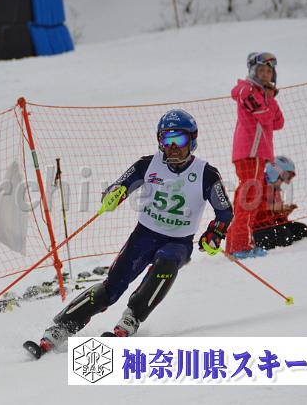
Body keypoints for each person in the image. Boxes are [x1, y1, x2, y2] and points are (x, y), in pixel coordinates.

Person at [35, 109, 234, 353]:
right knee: (111, 288)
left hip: (178, 242)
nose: (172, 147)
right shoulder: (146, 164)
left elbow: (225, 212)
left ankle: (132, 317)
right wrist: (114, 195)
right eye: (166, 139)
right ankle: (62, 327)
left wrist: (214, 234)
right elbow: (120, 185)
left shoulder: (206, 174)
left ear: (192, 140)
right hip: (144, 237)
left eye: (179, 139)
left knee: (166, 263)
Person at [225, 52, 285, 259]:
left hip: (257, 152)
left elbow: (278, 123)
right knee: (249, 197)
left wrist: (269, 98)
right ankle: (241, 246)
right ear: (252, 71)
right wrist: (268, 99)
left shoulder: (260, 93)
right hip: (251, 151)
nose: (266, 74)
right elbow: (266, 117)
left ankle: (234, 244)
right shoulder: (247, 90)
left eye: (269, 71)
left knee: (249, 197)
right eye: (261, 70)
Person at [252, 156, 307, 250]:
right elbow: (250, 209)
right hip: (258, 229)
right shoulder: (258, 184)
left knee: (302, 229)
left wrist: (284, 212)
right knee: (285, 235)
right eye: (285, 177)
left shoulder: (276, 189)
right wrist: (271, 207)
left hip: (272, 226)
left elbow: (277, 217)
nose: (287, 181)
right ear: (274, 174)